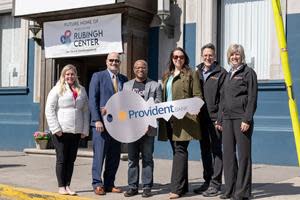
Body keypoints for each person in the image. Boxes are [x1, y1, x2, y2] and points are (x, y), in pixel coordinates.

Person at [158, 47, 202, 199]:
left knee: (180, 151)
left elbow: (197, 95)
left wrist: (195, 107)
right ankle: (183, 187)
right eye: (175, 57)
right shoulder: (166, 76)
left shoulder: (192, 74)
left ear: (185, 59)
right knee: (178, 152)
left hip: (185, 120)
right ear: (172, 59)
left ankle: (176, 188)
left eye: (181, 57)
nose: (178, 59)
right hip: (169, 120)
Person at [217, 44, 258, 200]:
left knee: (244, 156)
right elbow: (223, 99)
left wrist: (247, 119)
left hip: (241, 119)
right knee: (228, 155)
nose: (235, 57)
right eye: (232, 54)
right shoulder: (228, 75)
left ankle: (242, 193)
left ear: (242, 56)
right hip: (227, 119)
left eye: (237, 54)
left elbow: (252, 98)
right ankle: (230, 189)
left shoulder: (248, 73)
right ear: (229, 57)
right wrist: (219, 119)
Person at [45, 64, 89, 195]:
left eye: (72, 74)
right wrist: (55, 128)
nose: (70, 76)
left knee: (71, 159)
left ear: (76, 75)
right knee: (62, 158)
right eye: (67, 74)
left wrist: (85, 129)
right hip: (61, 131)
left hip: (76, 131)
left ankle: (68, 185)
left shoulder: (81, 90)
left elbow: (86, 111)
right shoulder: (57, 89)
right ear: (63, 76)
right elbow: (49, 109)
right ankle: (61, 186)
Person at [89, 52, 128, 195]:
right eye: (111, 60)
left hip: (117, 126)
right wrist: (97, 119)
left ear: (120, 62)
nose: (114, 62)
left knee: (114, 156)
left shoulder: (124, 79)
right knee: (99, 155)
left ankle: (109, 183)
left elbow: (126, 103)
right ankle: (97, 183)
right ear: (106, 62)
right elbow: (92, 99)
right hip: (101, 125)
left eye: (116, 60)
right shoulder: (97, 76)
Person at [123, 60, 162, 198]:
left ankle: (146, 187)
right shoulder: (127, 86)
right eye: (138, 67)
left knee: (147, 158)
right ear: (134, 69)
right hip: (132, 129)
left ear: (147, 69)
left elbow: (157, 105)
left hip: (148, 128)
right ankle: (132, 187)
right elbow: (124, 106)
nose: (141, 69)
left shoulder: (155, 85)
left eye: (143, 67)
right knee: (132, 159)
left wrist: (148, 123)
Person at [193, 43, 226, 197]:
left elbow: (224, 99)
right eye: (205, 55)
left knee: (217, 151)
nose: (208, 57)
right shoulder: (196, 72)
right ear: (202, 56)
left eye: (210, 55)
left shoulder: (221, 73)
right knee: (204, 150)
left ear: (215, 56)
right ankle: (207, 181)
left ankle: (216, 183)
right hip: (201, 119)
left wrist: (220, 119)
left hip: (215, 119)